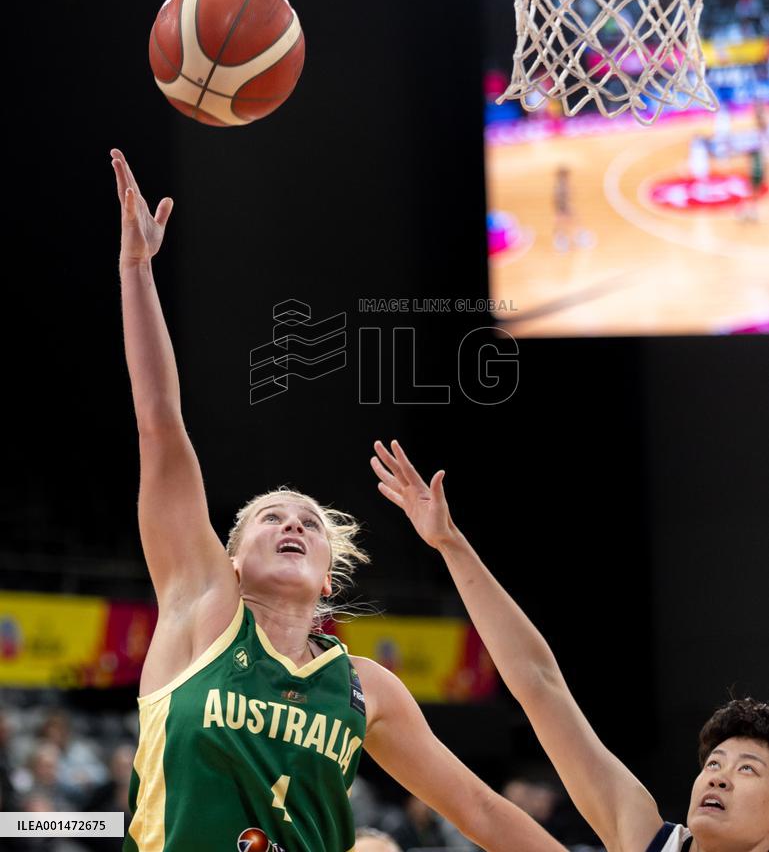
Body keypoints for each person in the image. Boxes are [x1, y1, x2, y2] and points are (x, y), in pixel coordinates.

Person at [111, 149, 567, 852]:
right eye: (271, 516)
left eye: (309, 523)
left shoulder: (365, 690)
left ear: (329, 576)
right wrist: (137, 272)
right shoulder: (202, 607)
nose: (293, 521)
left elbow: (476, 808)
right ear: (229, 560)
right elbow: (160, 424)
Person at [371, 439, 769, 852]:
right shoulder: (649, 840)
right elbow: (540, 684)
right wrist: (450, 543)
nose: (719, 777)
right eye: (715, 764)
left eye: (748, 770)